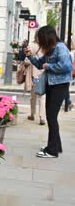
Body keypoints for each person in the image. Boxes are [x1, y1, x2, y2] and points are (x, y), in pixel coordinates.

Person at [25, 25, 73, 158]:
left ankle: (52, 151)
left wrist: (49, 66)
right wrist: (29, 56)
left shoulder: (60, 47)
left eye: (40, 39)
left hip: (59, 86)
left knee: (51, 117)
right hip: (51, 86)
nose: (39, 42)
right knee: (51, 116)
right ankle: (55, 146)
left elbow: (67, 66)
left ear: (47, 37)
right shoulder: (49, 50)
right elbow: (40, 64)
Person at [24, 37, 46, 125]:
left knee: (33, 95)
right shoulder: (45, 45)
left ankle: (32, 114)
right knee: (42, 95)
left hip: (34, 72)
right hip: (43, 72)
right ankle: (42, 117)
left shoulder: (31, 45)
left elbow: (27, 60)